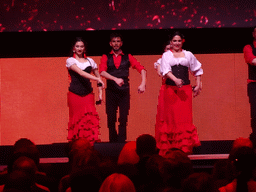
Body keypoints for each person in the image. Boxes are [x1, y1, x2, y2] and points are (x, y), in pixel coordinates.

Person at [156, 31, 203, 155]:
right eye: (174, 41)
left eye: (178, 40)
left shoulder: (188, 54)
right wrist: (175, 79)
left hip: (185, 92)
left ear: (183, 41)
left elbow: (197, 69)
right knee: (172, 119)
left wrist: (198, 84)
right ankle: (171, 149)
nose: (176, 43)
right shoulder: (166, 55)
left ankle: (184, 148)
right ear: (170, 42)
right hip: (171, 91)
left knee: (184, 119)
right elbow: (165, 71)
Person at [99, 33, 146, 143]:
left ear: (121, 43)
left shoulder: (127, 56)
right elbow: (102, 72)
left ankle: (121, 143)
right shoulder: (106, 56)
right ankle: (113, 143)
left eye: (118, 41)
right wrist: (115, 79)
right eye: (114, 41)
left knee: (123, 118)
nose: (116, 43)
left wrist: (143, 83)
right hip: (111, 91)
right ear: (110, 43)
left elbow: (142, 69)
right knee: (111, 118)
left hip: (124, 91)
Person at [66, 37, 104, 145]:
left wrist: (100, 94)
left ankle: (89, 144)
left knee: (89, 119)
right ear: (74, 48)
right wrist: (96, 78)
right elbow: (81, 73)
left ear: (84, 48)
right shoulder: (70, 61)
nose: (79, 48)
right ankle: (78, 145)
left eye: (81, 46)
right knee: (77, 119)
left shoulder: (90, 61)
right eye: (77, 46)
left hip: (88, 94)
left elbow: (99, 79)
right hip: (75, 94)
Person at [243, 26, 256, 148]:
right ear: (253, 34)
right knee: (255, 115)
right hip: (254, 85)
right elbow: (253, 60)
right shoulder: (248, 47)